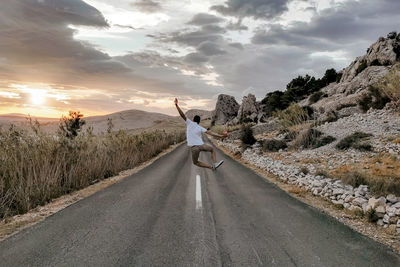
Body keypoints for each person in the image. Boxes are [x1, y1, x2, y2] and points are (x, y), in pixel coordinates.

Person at [174, 98, 226, 170]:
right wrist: (221, 136)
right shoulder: (200, 127)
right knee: (212, 150)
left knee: (196, 162)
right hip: (201, 145)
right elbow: (211, 133)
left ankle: (211, 167)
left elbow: (182, 115)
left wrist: (176, 105)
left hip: (194, 148)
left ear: (193, 120)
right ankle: (215, 163)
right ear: (199, 122)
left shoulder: (189, 123)